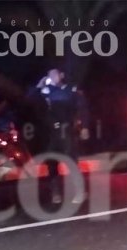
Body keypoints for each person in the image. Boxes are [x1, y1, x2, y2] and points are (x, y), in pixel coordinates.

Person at [32, 68, 89, 204]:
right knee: (51, 162)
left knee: (71, 161)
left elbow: (83, 108)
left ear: (61, 75)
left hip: (67, 130)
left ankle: (80, 192)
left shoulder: (70, 90)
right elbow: (29, 98)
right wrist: (39, 85)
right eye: (49, 74)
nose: (51, 76)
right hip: (52, 133)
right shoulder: (46, 91)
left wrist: (85, 126)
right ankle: (55, 192)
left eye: (54, 74)